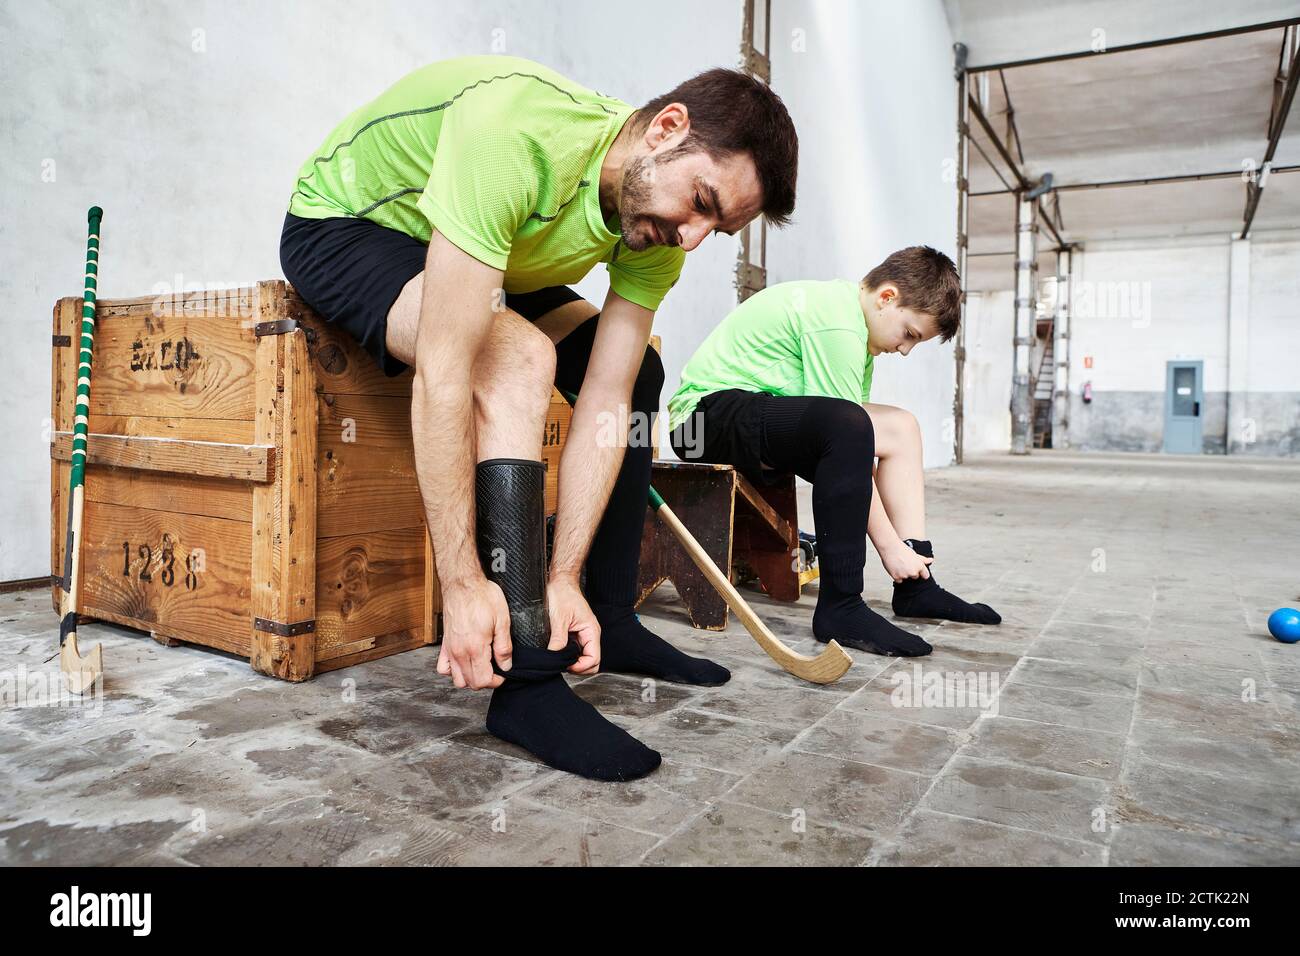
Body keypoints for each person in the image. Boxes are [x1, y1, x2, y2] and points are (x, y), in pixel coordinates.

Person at [280, 55, 799, 780]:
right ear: (667, 129)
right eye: (703, 200)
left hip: (486, 254)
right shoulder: (517, 135)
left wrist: (565, 574)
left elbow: (607, 400)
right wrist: (462, 586)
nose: (692, 238)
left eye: (719, 226)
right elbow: (446, 370)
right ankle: (525, 683)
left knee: (637, 371)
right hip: (351, 224)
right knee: (516, 357)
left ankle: (606, 614)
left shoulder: (654, 227)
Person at [666, 246, 1000, 660]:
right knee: (847, 426)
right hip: (702, 420)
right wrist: (890, 548)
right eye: (910, 334)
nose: (905, 349)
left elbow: (857, 441)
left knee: (901, 428)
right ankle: (841, 605)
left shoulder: (858, 332)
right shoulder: (837, 324)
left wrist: (904, 550)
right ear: (887, 297)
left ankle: (917, 586)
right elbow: (847, 435)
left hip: (754, 412)